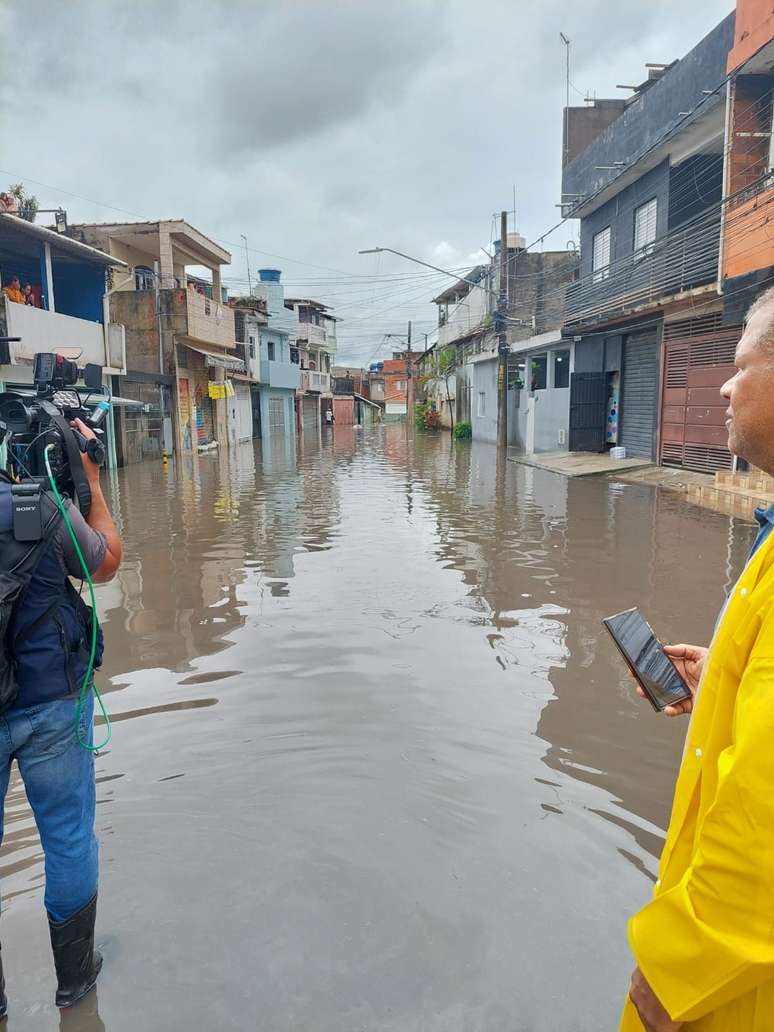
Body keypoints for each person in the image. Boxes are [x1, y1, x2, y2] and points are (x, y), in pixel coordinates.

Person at [620, 287, 774, 1031]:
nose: (722, 383)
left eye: (742, 364)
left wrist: (678, 970)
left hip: (734, 981)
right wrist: (724, 683)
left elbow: (765, 827)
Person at [0, 418, 121, 1016]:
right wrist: (90, 483)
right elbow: (104, 564)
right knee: (68, 838)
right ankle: (76, 984)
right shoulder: (42, 509)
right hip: (51, 704)